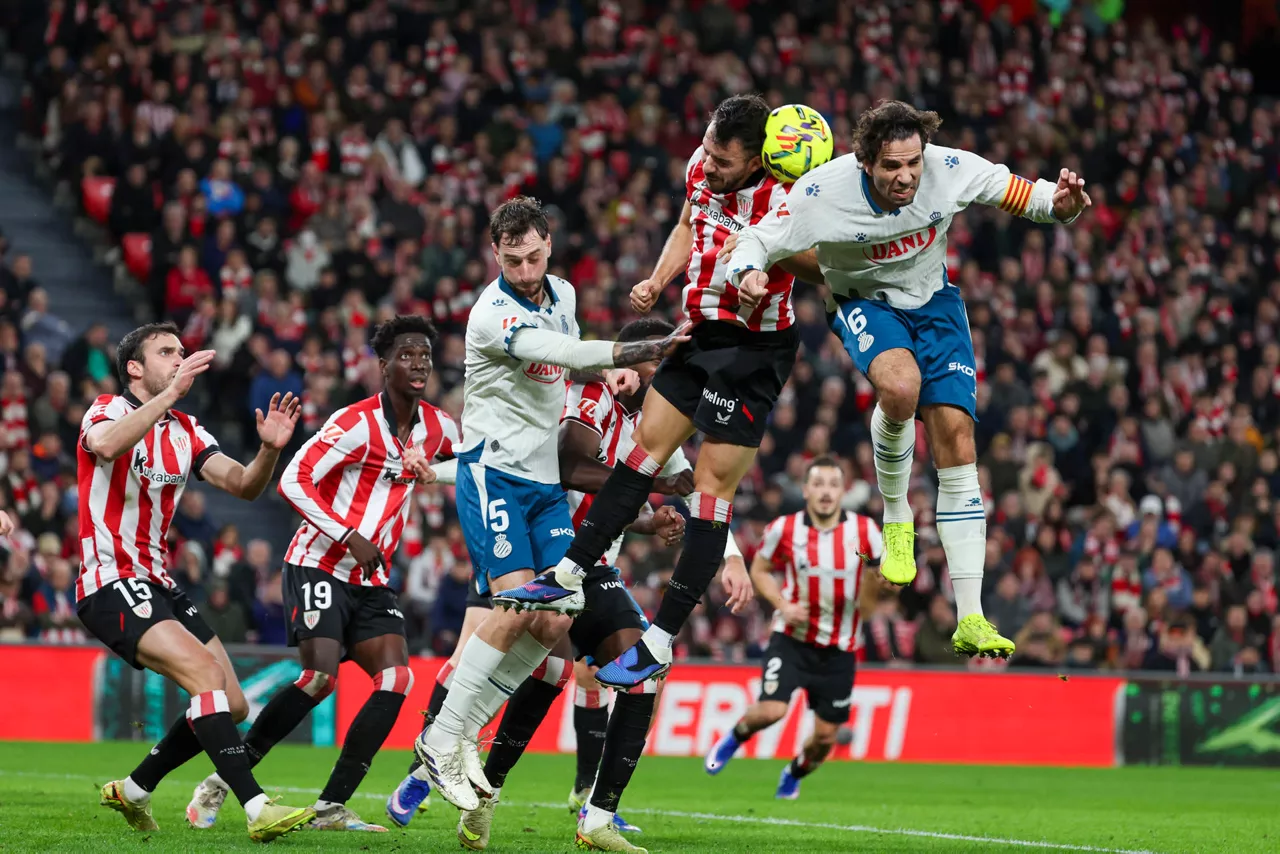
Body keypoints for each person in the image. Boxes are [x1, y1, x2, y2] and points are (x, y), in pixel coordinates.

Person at [723, 100, 1092, 659]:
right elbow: (757, 239)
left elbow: (1027, 196)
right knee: (899, 388)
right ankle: (897, 518)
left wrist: (1062, 206)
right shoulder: (824, 193)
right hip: (864, 300)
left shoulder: (948, 169)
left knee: (957, 439)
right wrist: (745, 270)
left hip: (935, 303)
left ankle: (971, 616)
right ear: (866, 161)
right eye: (892, 166)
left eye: (913, 163)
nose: (906, 176)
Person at [495, 95, 824, 693]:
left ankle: (660, 640)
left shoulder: (789, 196)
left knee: (708, 492)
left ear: (758, 160)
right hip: (697, 332)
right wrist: (658, 278)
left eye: (723, 159)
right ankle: (569, 572)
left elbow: (822, 268)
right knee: (641, 453)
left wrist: (764, 256)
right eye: (708, 148)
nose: (708, 163)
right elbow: (684, 227)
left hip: (752, 354)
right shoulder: (701, 169)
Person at [413, 196, 688, 813]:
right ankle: (442, 737)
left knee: (559, 612)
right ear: (496, 255)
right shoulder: (492, 314)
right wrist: (632, 354)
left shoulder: (560, 293)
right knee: (514, 605)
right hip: (496, 475)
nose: (525, 270)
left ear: (548, 245)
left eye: (534, 256)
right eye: (512, 260)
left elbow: (566, 373)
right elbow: (561, 355)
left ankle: (458, 730)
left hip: (542, 484)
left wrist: (606, 379)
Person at [447, 318, 748, 852]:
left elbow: (697, 486)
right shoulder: (592, 394)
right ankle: (467, 771)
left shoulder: (656, 426)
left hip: (592, 565)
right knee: (553, 666)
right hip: (544, 546)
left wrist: (729, 555)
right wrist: (652, 490)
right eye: (658, 373)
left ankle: (598, 816)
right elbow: (570, 466)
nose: (666, 387)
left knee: (640, 671)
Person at [185, 316, 456, 831]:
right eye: (406, 355)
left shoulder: (438, 427)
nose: (419, 363)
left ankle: (331, 805)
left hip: (371, 580)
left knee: (397, 678)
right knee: (319, 678)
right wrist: (347, 534)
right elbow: (292, 479)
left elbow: (477, 461)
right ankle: (225, 780)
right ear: (383, 366)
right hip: (318, 563)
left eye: (425, 354)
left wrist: (435, 470)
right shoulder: (354, 423)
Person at [73, 321, 313, 841]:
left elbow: (244, 485)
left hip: (159, 582)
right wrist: (170, 396)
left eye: (181, 352)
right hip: (109, 579)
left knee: (234, 702)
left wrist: (269, 450)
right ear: (135, 368)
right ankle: (256, 808)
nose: (179, 359)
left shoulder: (186, 430)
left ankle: (135, 789)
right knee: (206, 678)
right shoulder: (107, 410)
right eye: (166, 352)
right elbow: (108, 447)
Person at [704, 457, 894, 799]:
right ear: (805, 490)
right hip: (792, 638)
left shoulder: (865, 531)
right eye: (818, 484)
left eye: (833, 485)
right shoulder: (784, 528)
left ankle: (793, 773)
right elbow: (759, 570)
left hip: (841, 647)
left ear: (843, 491)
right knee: (772, 710)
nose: (825, 492)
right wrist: (783, 606)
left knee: (824, 739)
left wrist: (883, 584)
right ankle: (734, 737)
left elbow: (874, 593)